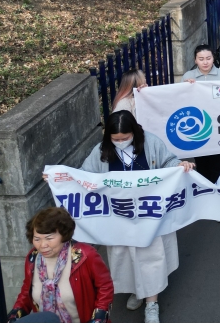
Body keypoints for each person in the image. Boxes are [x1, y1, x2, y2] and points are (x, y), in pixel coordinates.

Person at [80, 111, 195, 322]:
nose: (121, 142)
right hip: (119, 215)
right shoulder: (100, 151)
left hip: (150, 214)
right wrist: (60, 177)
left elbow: (168, 160)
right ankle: (137, 290)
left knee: (151, 256)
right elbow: (84, 175)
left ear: (134, 132)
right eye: (116, 139)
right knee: (124, 257)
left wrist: (179, 165)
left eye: (125, 138)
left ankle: (152, 302)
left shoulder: (150, 142)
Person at [8, 207, 113, 323]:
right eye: (37, 239)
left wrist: (99, 317)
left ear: (64, 235)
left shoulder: (86, 255)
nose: (42, 245)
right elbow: (26, 291)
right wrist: (15, 315)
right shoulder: (32, 258)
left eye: (49, 238)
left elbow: (105, 287)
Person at [180, 45, 220, 183]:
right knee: (202, 165)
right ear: (195, 60)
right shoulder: (188, 76)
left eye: (208, 58)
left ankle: (219, 190)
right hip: (199, 126)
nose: (205, 62)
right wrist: (184, 87)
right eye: (201, 59)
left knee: (219, 163)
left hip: (219, 125)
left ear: (214, 58)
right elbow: (179, 100)